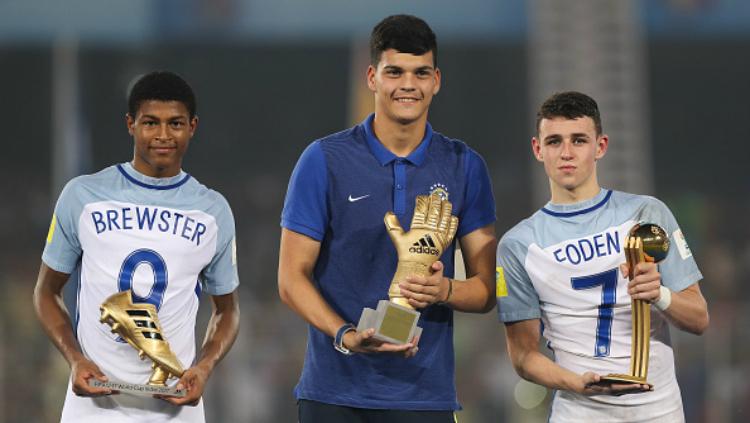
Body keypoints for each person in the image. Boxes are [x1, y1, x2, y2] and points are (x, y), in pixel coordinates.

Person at [278, 14, 497, 422]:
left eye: (420, 73)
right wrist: (345, 334)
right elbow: (291, 279)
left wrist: (443, 289)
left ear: (436, 80)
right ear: (372, 77)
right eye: (394, 71)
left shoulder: (465, 166)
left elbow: (486, 291)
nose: (408, 85)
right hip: (333, 393)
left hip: (423, 397)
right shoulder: (323, 160)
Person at [33, 71, 240, 423]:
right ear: (130, 124)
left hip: (175, 409)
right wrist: (75, 358)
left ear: (193, 126)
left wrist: (204, 367)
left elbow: (227, 311)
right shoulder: (82, 196)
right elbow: (46, 292)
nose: (162, 135)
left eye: (175, 123)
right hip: (92, 409)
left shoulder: (213, 211)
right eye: (150, 123)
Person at [496, 91, 709, 422]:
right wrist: (577, 384)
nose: (566, 153)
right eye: (554, 141)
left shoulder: (647, 213)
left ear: (601, 146)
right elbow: (523, 357)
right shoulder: (518, 245)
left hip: (658, 412)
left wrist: (660, 295)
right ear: (538, 150)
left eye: (579, 140)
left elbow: (698, 319)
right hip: (578, 413)